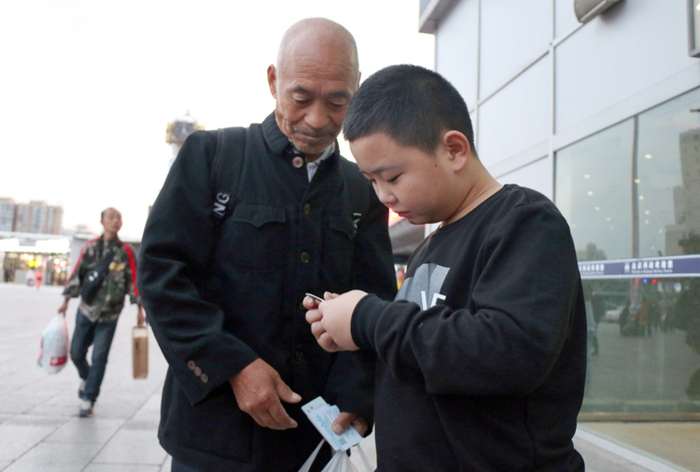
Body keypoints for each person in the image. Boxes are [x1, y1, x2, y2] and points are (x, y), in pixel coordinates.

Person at [137, 18, 396, 472]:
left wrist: (357, 397)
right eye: (301, 98)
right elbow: (162, 275)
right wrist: (233, 366)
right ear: (274, 81)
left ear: (356, 89)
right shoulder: (212, 157)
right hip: (213, 435)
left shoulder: (362, 189)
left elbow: (374, 302)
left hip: (315, 439)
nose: (317, 119)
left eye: (338, 101)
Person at [305, 64, 588, 472]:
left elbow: (507, 352)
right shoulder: (429, 244)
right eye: (371, 181)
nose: (383, 196)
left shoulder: (524, 222)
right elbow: (425, 355)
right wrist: (358, 346)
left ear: (454, 150)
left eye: (392, 177)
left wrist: (369, 318)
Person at [58, 207, 144, 417]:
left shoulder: (126, 251)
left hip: (110, 314)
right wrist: (66, 301)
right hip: (86, 309)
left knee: (99, 357)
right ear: (102, 221)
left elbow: (134, 279)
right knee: (76, 353)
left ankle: (89, 399)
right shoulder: (90, 247)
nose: (115, 221)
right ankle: (86, 378)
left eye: (119, 218)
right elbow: (77, 273)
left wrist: (139, 309)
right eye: (111, 217)